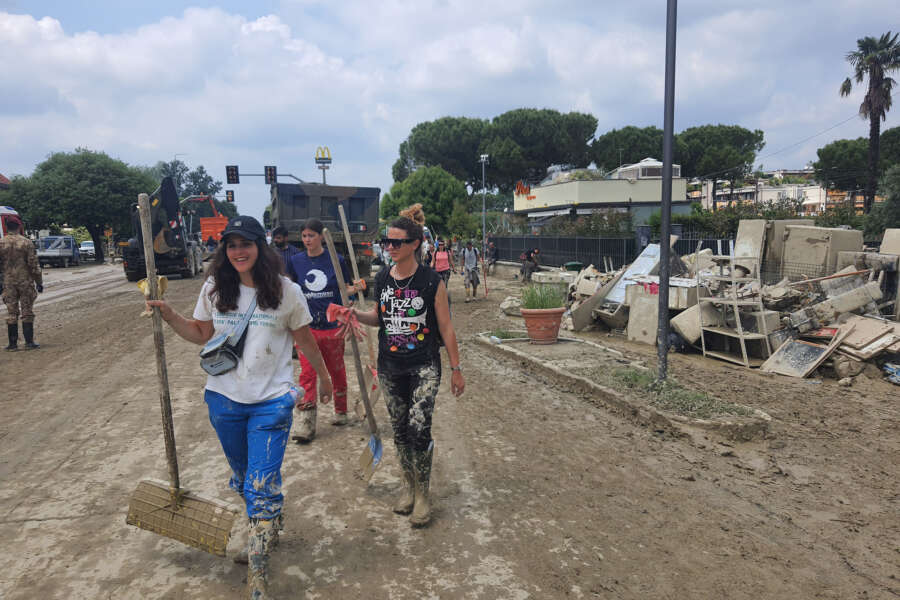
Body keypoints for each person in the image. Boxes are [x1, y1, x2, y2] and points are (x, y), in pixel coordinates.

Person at [146, 215, 333, 599]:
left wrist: (325, 377)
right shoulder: (216, 287)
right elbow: (200, 333)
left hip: (271, 403)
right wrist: (169, 316)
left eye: (245, 243)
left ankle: (258, 578)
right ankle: (265, 520)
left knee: (260, 485)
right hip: (224, 401)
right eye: (231, 245)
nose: (238, 251)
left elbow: (305, 340)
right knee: (246, 478)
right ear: (224, 251)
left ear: (260, 248)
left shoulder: (287, 291)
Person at [350, 204, 464, 527]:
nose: (389, 247)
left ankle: (424, 494)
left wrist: (456, 369)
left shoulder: (431, 282)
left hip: (424, 366)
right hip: (390, 367)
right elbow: (378, 318)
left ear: (414, 244)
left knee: (418, 428)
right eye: (387, 241)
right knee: (399, 430)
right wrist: (353, 314)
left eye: (396, 242)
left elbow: (447, 328)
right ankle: (408, 487)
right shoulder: (383, 277)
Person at [285, 218, 364, 441]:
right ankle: (306, 423)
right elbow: (289, 289)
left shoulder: (336, 260)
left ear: (321, 236)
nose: (307, 240)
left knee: (336, 370)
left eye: (311, 235)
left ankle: (340, 411)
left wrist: (355, 289)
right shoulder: (295, 261)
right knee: (307, 374)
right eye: (304, 236)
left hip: (333, 327)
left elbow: (344, 289)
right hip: (306, 328)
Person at [0, 218, 43, 351]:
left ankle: (12, 344)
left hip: (8, 283)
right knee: (27, 310)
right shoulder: (26, 242)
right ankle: (29, 342)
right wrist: (39, 282)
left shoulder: (1, 243)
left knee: (11, 312)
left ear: (7, 227)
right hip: (25, 281)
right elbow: (33, 265)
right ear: (19, 227)